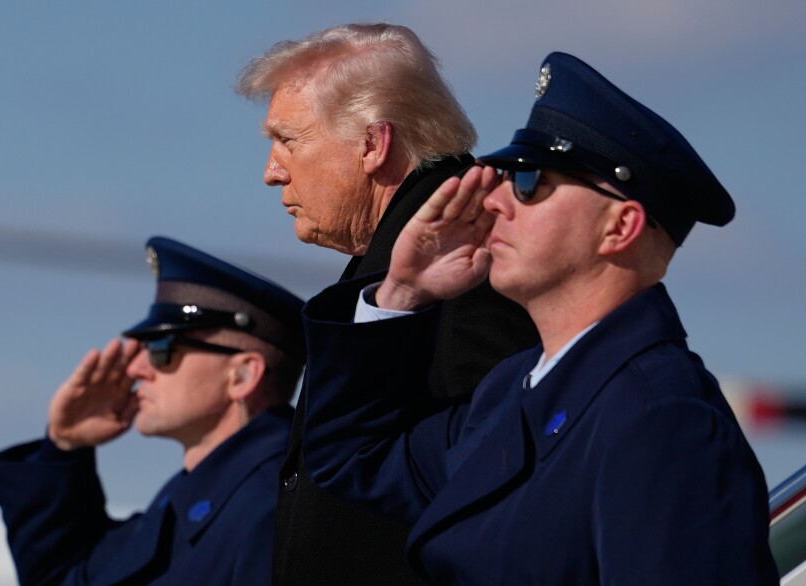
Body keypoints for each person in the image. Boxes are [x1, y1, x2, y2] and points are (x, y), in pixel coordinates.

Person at [298, 52, 780, 584]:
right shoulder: (513, 392)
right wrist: (401, 291)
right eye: (505, 175)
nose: (498, 200)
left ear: (619, 228)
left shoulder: (661, 418)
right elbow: (354, 462)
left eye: (529, 181)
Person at [236, 23, 539, 585]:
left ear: (374, 143)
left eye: (289, 140)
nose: (272, 171)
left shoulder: (470, 250)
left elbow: (500, 479)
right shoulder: (393, 252)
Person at [0, 236, 305, 585]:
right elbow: (65, 578)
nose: (136, 369)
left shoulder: (273, 511)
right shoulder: (187, 503)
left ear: (242, 376)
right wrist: (64, 448)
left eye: (162, 349)